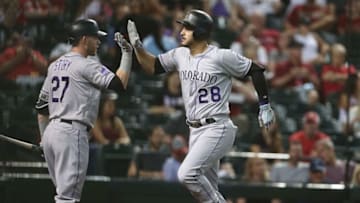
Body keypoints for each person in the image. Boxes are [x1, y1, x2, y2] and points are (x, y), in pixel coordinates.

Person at [125, 9, 275, 203]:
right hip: (195, 130)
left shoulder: (221, 56)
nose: (182, 31)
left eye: (188, 27)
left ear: (201, 31)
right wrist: (138, 47)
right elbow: (152, 67)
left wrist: (264, 105)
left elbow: (255, 70)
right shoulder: (180, 54)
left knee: (187, 174)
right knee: (208, 189)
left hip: (217, 127)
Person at [34, 19, 133, 203]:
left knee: (63, 196)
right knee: (68, 198)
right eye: (96, 38)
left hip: (51, 134)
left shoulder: (55, 65)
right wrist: (127, 54)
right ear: (85, 39)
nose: (99, 42)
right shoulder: (86, 64)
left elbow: (41, 109)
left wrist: (43, 139)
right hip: (72, 133)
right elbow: (119, 84)